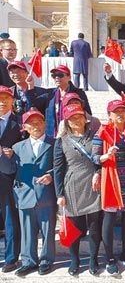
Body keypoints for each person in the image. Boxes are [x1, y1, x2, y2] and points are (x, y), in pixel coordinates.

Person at [53, 104, 102, 276]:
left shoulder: (95, 136)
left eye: (79, 116)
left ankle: (93, 259)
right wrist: (59, 194)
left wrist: (99, 172)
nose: (76, 120)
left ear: (85, 118)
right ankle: (75, 260)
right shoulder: (61, 141)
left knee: (95, 226)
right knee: (74, 227)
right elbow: (58, 169)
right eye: (72, 117)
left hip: (94, 186)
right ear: (67, 121)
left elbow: (101, 161)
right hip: (72, 187)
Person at [91, 100, 125, 275]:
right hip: (111, 178)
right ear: (109, 114)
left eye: (123, 111)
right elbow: (94, 158)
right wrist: (106, 155)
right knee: (109, 218)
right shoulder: (102, 132)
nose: (120, 114)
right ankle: (109, 257)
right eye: (115, 111)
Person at [11, 110, 56, 276]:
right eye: (31, 123)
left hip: (46, 194)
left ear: (45, 123)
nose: (36, 125)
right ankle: (28, 261)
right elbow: (10, 170)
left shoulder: (54, 144)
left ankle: (46, 260)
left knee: (47, 229)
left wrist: (51, 176)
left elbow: (60, 166)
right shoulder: (17, 147)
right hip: (25, 194)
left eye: (39, 122)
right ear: (25, 127)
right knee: (27, 230)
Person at [27, 65, 92, 138]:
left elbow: (87, 114)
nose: (57, 78)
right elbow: (33, 104)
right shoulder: (50, 94)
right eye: (54, 76)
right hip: (53, 136)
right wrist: (30, 86)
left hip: (72, 135)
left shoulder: (78, 93)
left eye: (60, 75)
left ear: (69, 77)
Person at [0, 86, 22, 273]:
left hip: (7, 175)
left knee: (10, 217)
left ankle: (11, 258)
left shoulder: (19, 122)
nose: (2, 102)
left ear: (12, 100)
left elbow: (25, 148)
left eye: (6, 98)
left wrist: (14, 153)